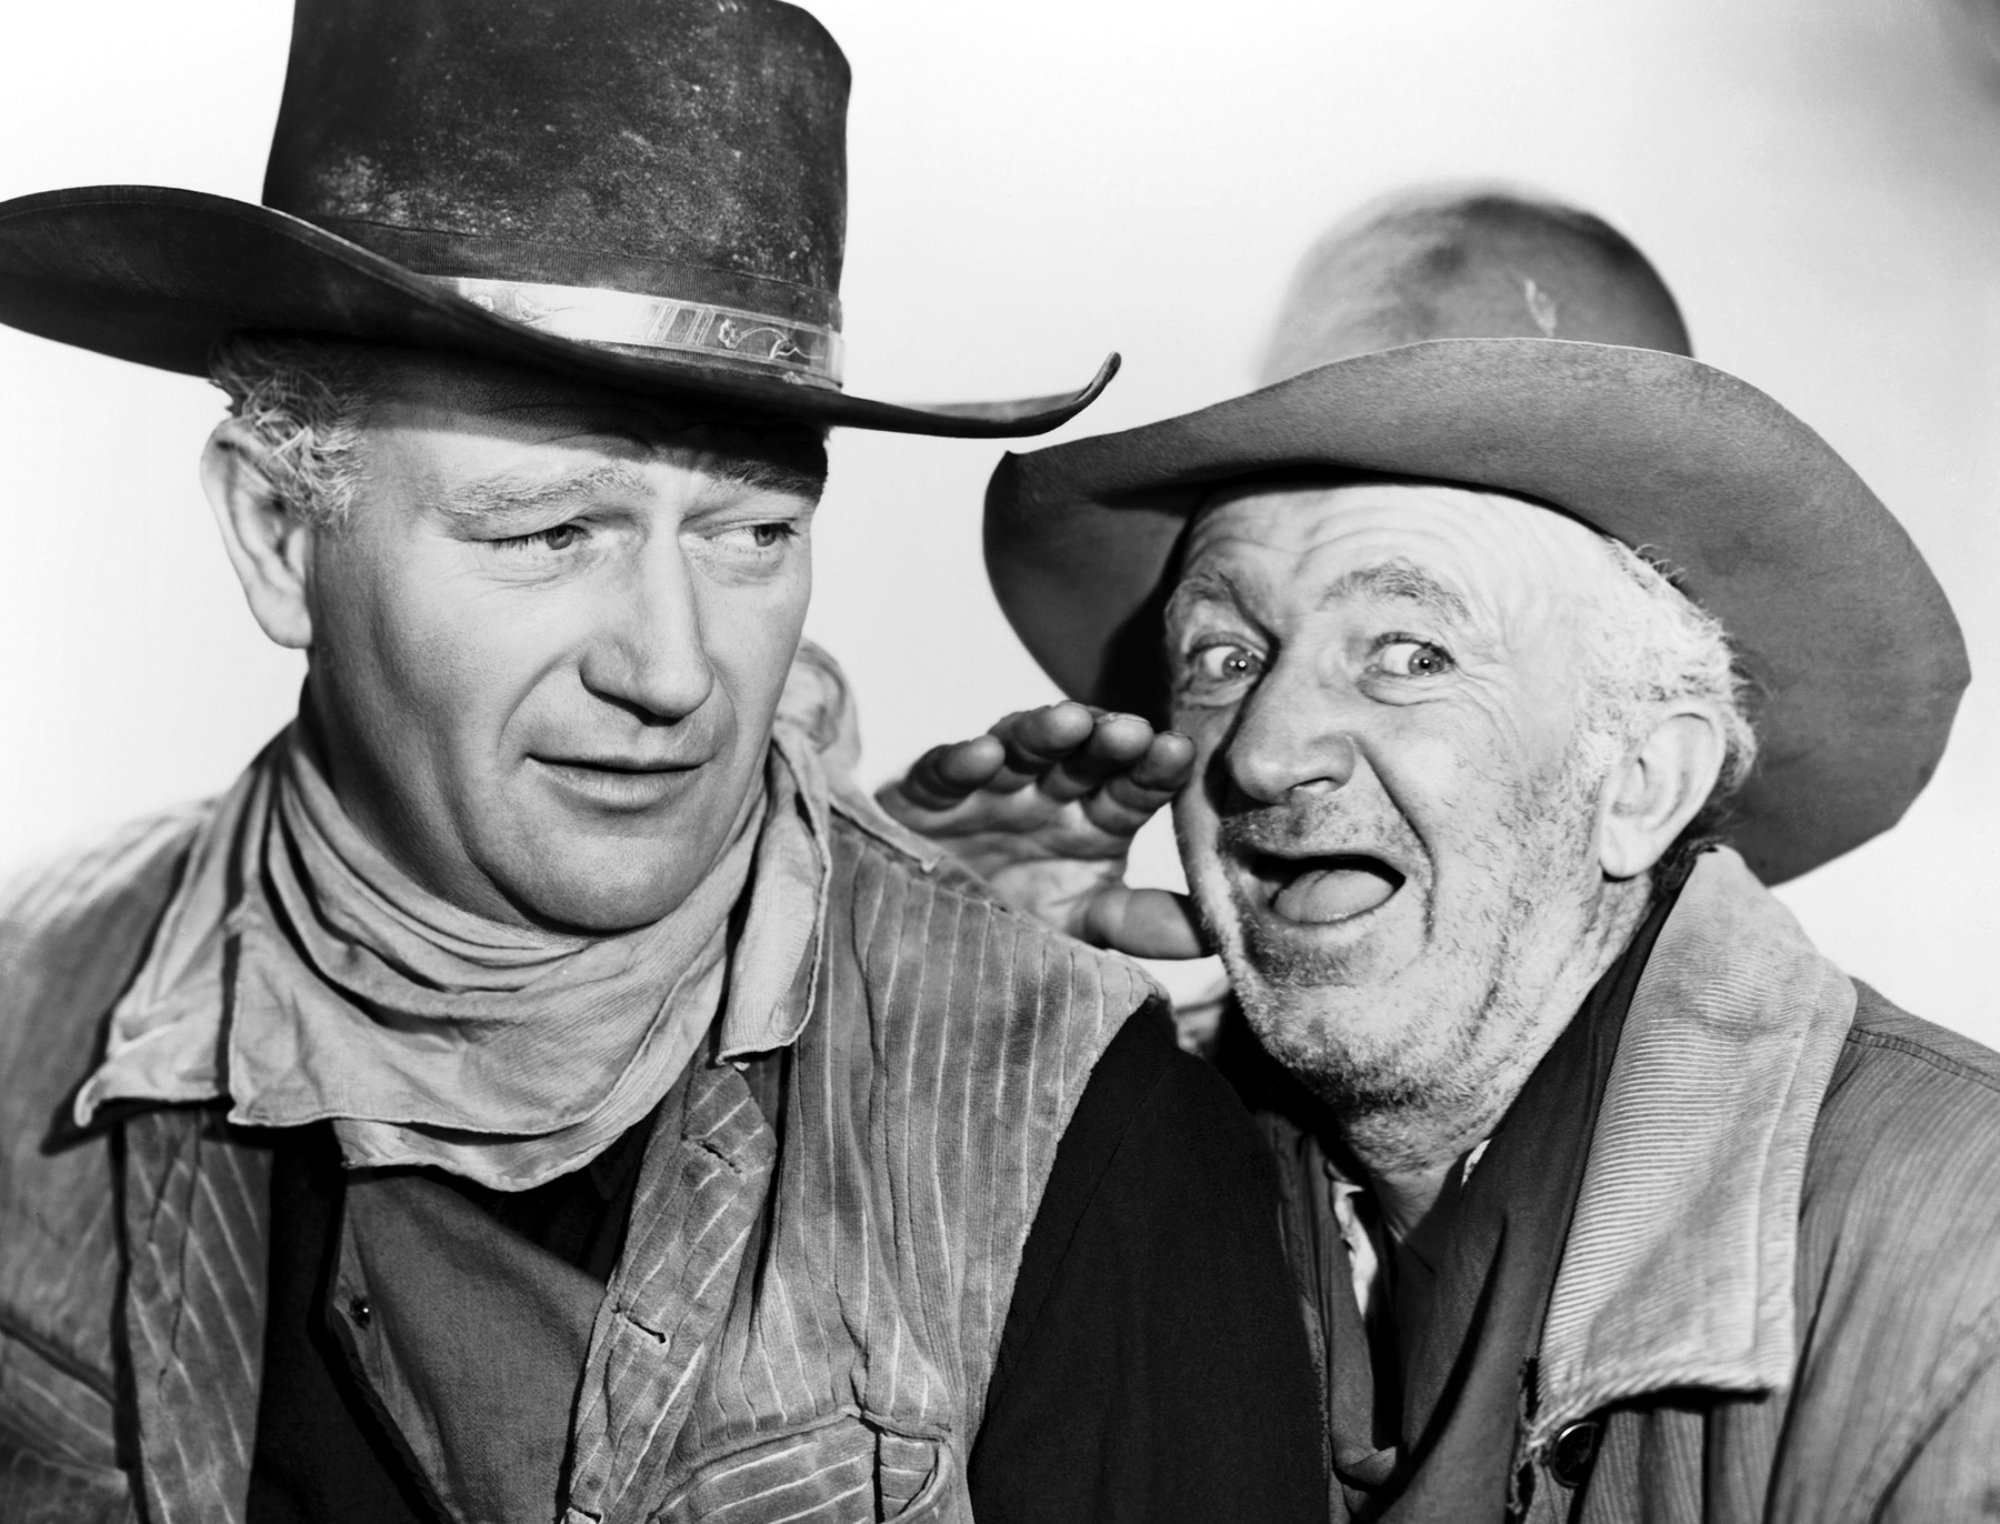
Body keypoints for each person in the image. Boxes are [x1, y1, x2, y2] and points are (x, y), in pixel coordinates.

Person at [0, 5, 1327, 1522]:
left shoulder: (1080, 1123)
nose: (678, 671)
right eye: (552, 532)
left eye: (754, 534)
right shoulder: (26, 1007)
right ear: (280, 534)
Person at [882, 186, 2000, 1521]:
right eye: (1225, 655)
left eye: (1411, 654)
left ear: (1645, 778)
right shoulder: (1101, 1142)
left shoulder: (1958, 1269)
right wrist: (919, 1046)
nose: (1262, 750)